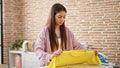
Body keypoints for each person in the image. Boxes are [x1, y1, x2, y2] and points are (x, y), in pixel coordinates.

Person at [34, 3, 97, 67]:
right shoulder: (44, 32)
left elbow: (77, 45)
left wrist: (89, 52)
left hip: (66, 65)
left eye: (64, 17)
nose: (62, 19)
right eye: (59, 17)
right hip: (51, 65)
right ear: (53, 16)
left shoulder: (67, 31)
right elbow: (38, 50)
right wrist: (50, 56)